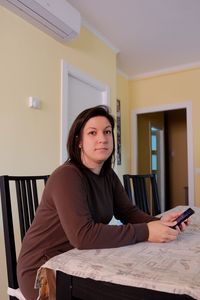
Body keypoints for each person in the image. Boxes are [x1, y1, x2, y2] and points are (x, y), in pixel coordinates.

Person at [17, 105, 188, 300]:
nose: (103, 138)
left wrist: (160, 223)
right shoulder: (67, 176)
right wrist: (147, 231)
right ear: (79, 141)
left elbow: (128, 212)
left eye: (107, 132)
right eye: (92, 132)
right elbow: (83, 236)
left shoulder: (108, 175)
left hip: (80, 260)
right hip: (44, 269)